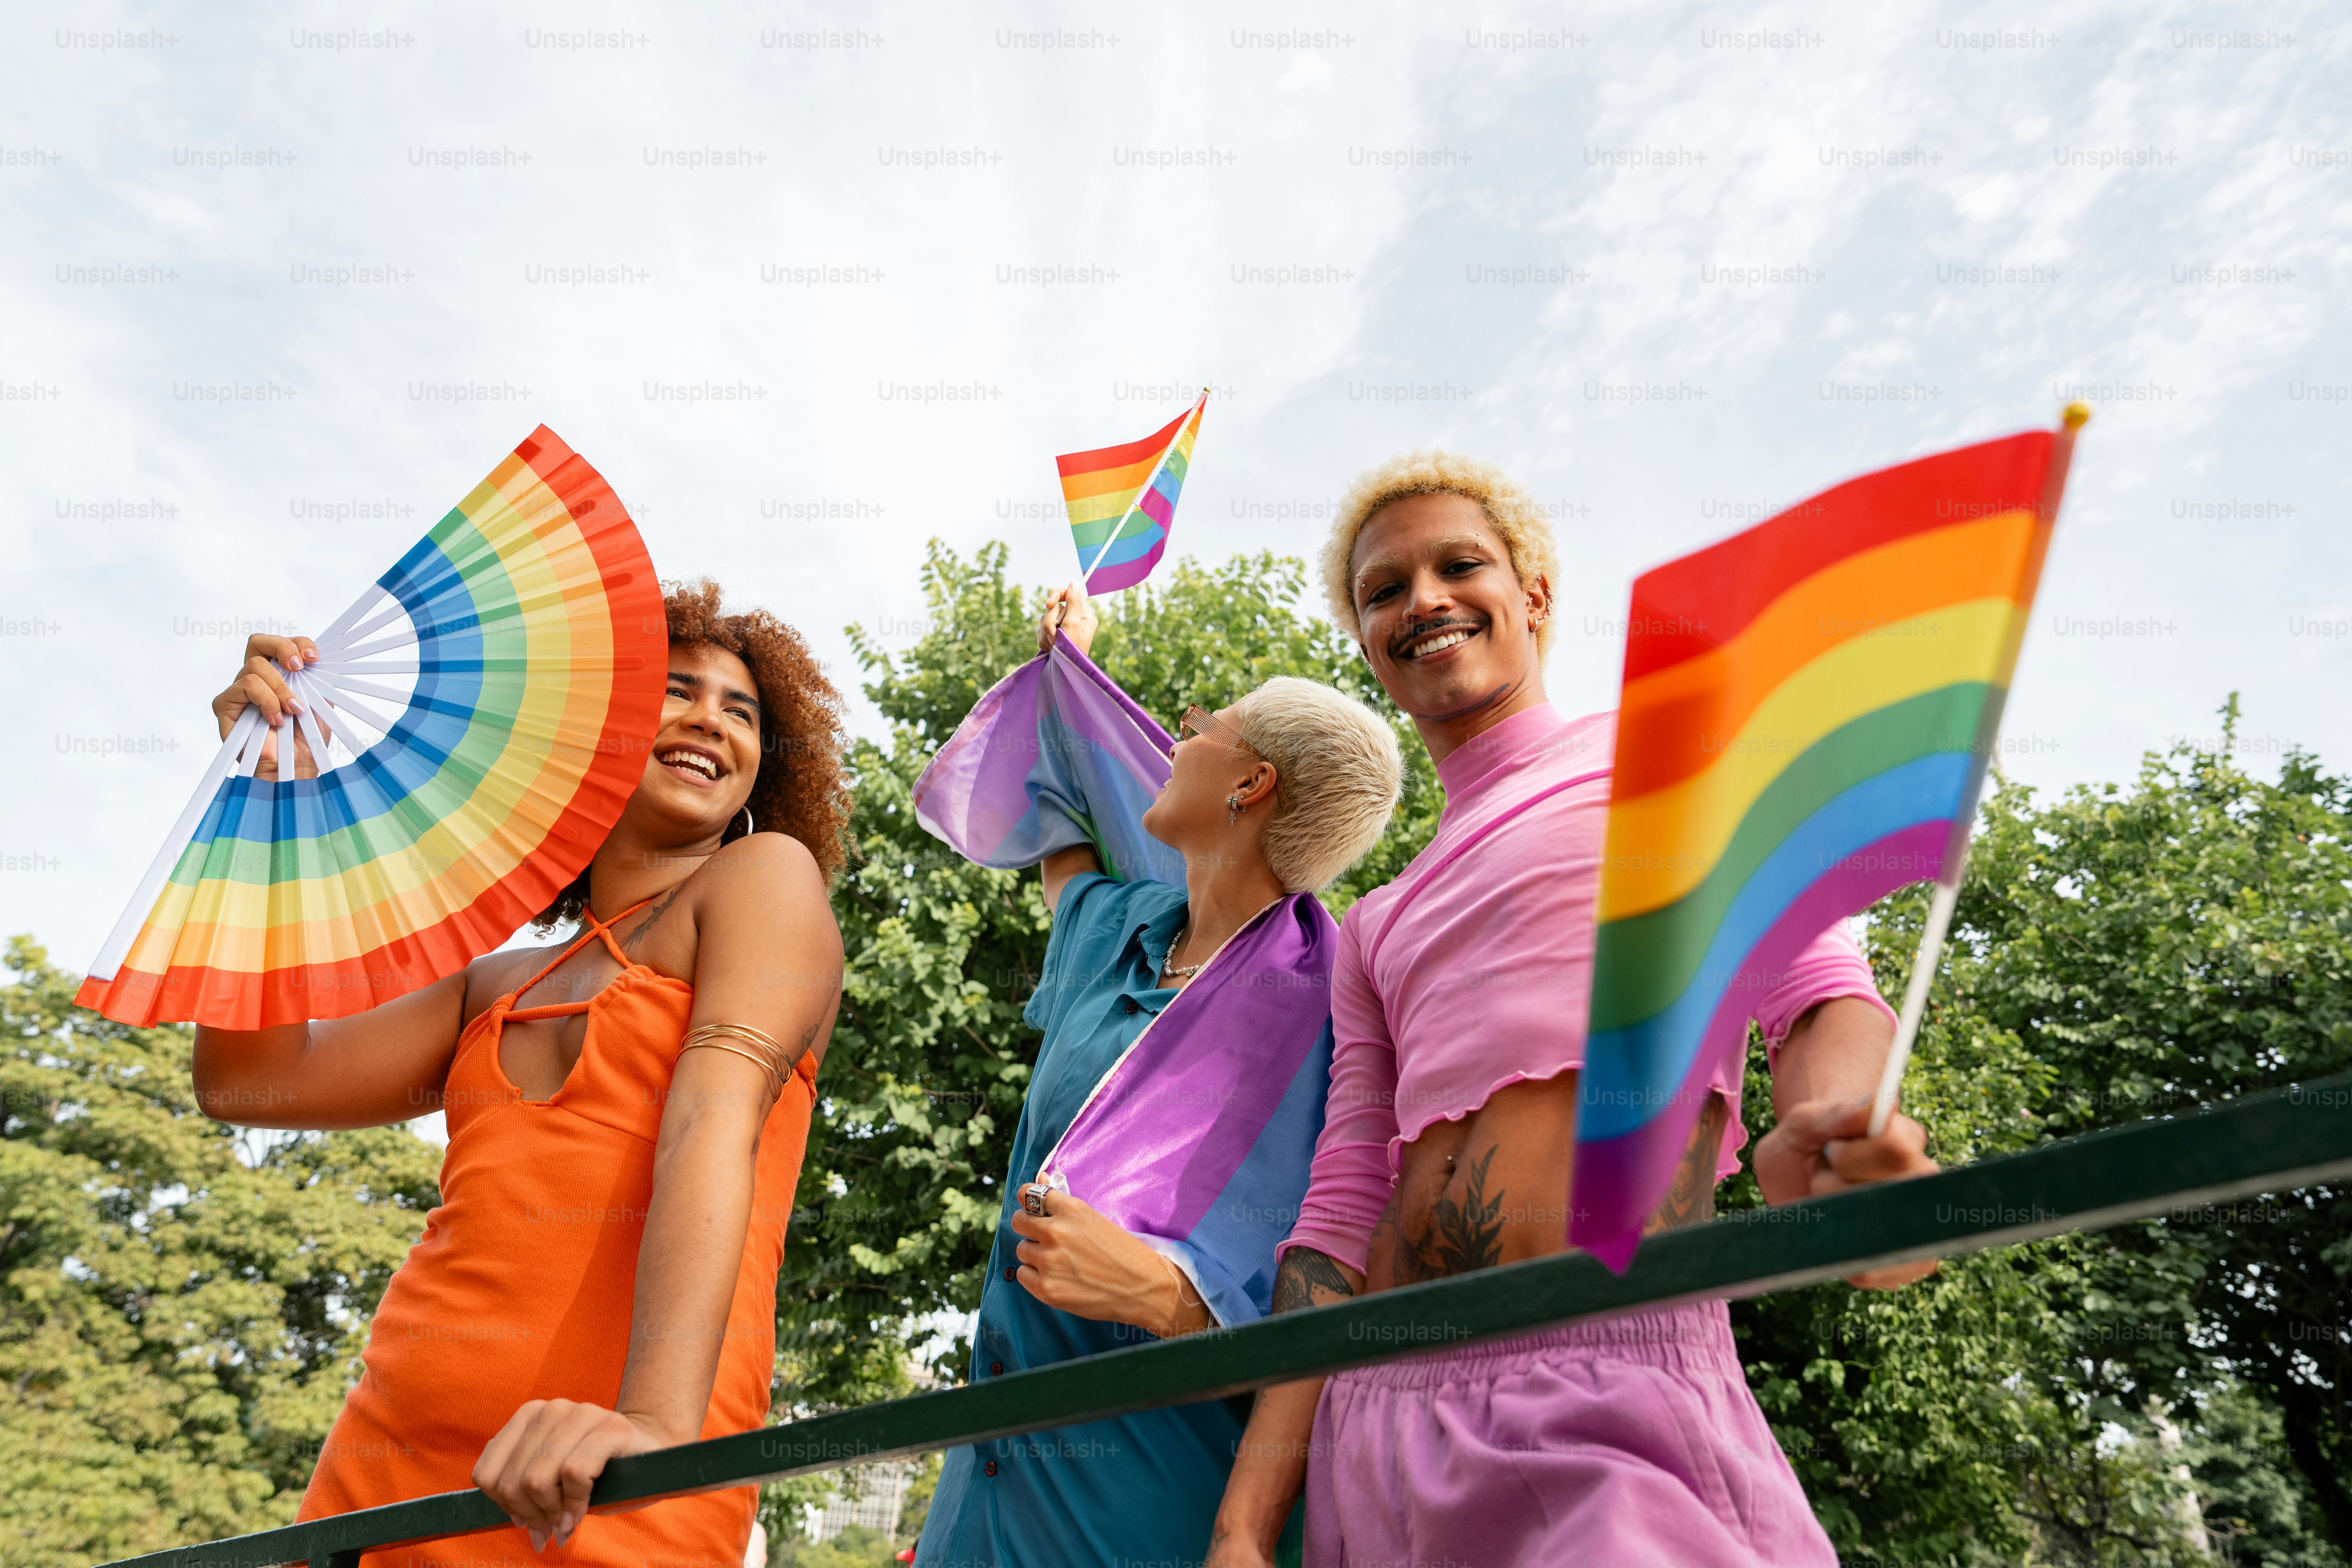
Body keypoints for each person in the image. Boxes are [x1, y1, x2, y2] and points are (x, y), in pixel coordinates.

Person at [1205, 453, 1944, 1568]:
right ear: (1366, 638)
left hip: (1607, 1379)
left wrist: (1841, 1140)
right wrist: (1247, 1523)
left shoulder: (1682, 768)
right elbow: (1345, 1199)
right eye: (1383, 589)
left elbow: (1817, 991)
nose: (1424, 601)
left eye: (1460, 564)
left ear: (1535, 595)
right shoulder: (1376, 922)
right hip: (1378, 1430)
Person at [188, 580, 850, 1567]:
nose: (710, 717)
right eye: (676, 689)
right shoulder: (494, 983)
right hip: (385, 1480)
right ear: (593, 733)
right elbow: (248, 1080)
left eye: (741, 709)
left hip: (608, 1471)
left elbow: (710, 1121)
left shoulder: (765, 879)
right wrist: (271, 798)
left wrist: (657, 1429)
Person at [914, 585, 1404, 1568]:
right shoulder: (1113, 927)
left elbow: (1354, 1279)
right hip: (992, 1474)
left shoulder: (1340, 1002)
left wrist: (1172, 1301)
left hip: (1162, 1487)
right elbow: (1063, 817)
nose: (1182, 730)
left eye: (1205, 725)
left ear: (1250, 783)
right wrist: (1070, 667)